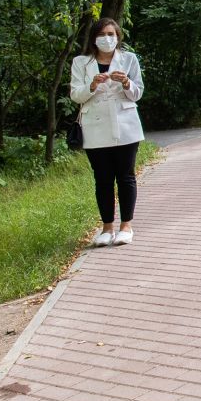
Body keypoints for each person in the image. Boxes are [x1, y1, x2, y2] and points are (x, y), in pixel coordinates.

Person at [69, 17, 145, 245]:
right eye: (102, 35)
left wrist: (126, 84)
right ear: (94, 38)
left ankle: (126, 226)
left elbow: (138, 92)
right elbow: (75, 94)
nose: (107, 39)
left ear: (118, 36)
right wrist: (91, 85)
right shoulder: (81, 62)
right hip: (96, 126)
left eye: (112, 34)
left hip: (125, 125)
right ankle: (106, 228)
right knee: (102, 179)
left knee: (126, 176)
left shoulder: (129, 59)